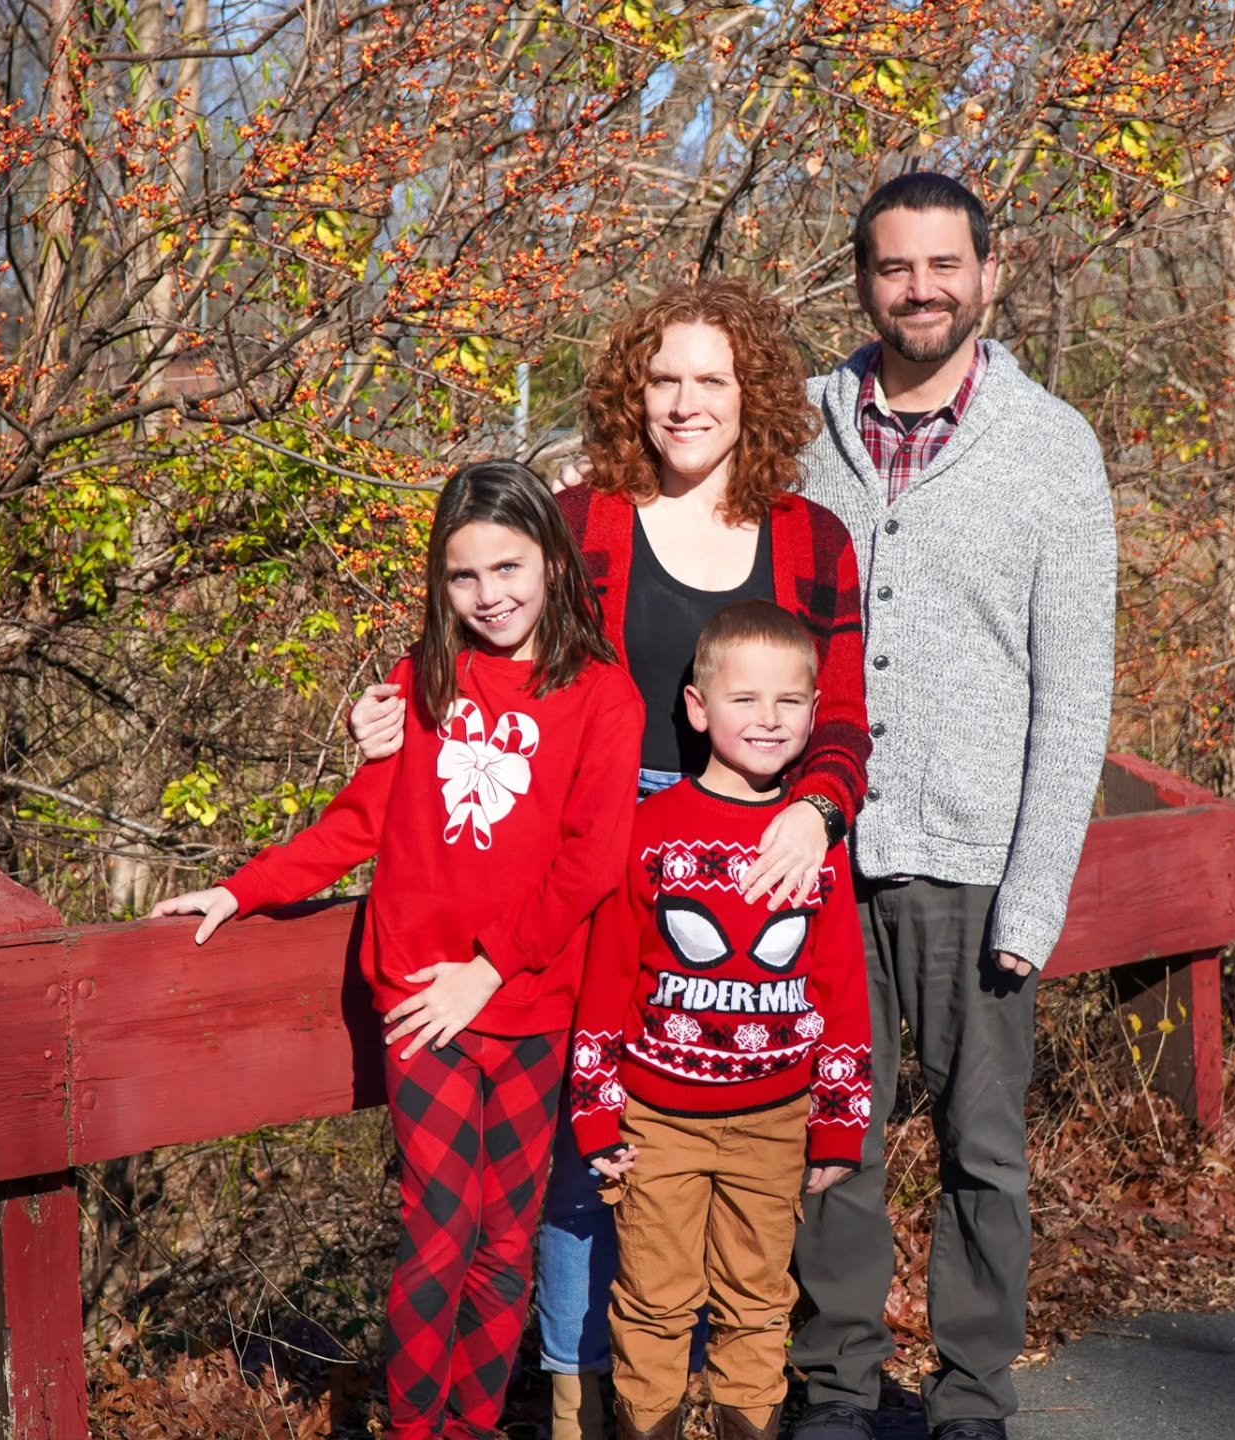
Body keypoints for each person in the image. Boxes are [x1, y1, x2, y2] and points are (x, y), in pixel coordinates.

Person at [347, 280, 872, 1440]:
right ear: (635, 391)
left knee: (735, 1128)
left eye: (713, 380)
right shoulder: (585, 517)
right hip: (583, 844)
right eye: (665, 379)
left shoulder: (810, 538)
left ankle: (736, 1394)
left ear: (757, 396)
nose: (686, 403)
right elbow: (479, 632)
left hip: (747, 845)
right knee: (591, 1148)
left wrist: (819, 812)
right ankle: (589, 1400)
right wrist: (386, 711)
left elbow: (838, 710)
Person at [149, 460, 645, 1440]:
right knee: (436, 1231)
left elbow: (591, 861)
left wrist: (493, 970)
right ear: (438, 583)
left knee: (506, 1240)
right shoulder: (425, 680)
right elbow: (357, 824)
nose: (490, 595)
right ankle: (411, 1427)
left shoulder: (602, 696)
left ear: (552, 559)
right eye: (463, 577)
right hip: (423, 999)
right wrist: (245, 888)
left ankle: (471, 1426)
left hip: (533, 1000)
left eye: (508, 568)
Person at [785, 174, 1117, 1440]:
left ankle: (972, 1398)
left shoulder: (1050, 446)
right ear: (861, 280)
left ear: (990, 272)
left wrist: (1037, 893)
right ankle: (836, 1390)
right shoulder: (807, 427)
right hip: (818, 847)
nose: (917, 289)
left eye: (941, 266)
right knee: (834, 1141)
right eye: (891, 268)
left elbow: (1074, 694)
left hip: (977, 859)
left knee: (983, 1150)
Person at [570, 600, 872, 1440]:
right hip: (655, 1117)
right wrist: (597, 1115)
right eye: (744, 700)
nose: (768, 720)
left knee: (757, 1299)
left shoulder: (816, 846)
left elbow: (840, 989)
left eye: (788, 703)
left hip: (774, 1120)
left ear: (815, 714)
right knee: (656, 1301)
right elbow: (607, 983)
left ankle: (751, 1425)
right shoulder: (651, 832)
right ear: (699, 710)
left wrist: (840, 1123)